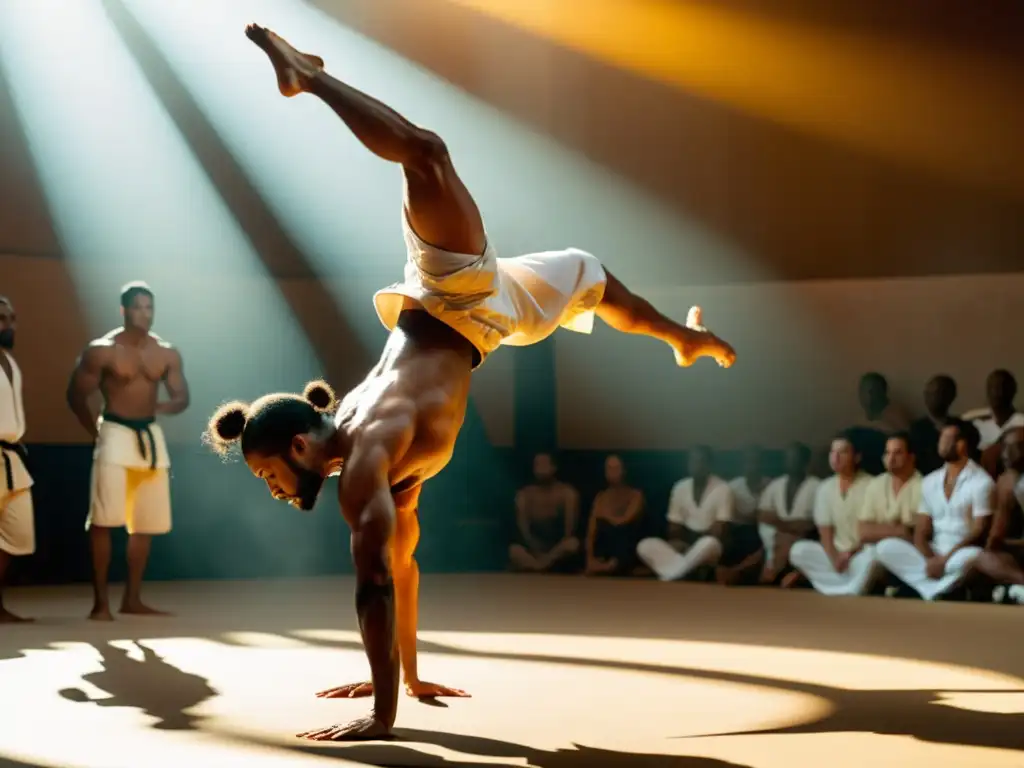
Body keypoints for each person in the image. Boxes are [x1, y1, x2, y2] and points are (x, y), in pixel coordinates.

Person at [203, 24, 737, 742]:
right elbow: (402, 567)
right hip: (488, 322)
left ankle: (309, 77)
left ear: (299, 444)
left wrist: (383, 715)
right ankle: (683, 338)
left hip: (453, 297)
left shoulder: (364, 465)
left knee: (426, 155)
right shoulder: (371, 452)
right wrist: (408, 676)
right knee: (591, 273)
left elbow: (373, 588)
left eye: (268, 472)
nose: (270, 489)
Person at [66, 282, 190, 621]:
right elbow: (75, 395)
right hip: (115, 431)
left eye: (149, 307)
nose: (145, 314)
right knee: (104, 519)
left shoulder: (166, 352)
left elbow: (182, 397)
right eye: (138, 307)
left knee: (146, 522)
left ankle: (132, 598)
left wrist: (158, 408)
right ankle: (100, 602)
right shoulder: (102, 350)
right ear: (124, 310)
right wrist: (95, 432)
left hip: (149, 435)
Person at [875, 419, 993, 601]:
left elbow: (979, 531)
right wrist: (931, 559)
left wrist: (944, 560)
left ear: (961, 445)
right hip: (934, 551)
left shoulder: (981, 482)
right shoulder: (930, 481)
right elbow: (921, 532)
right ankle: (937, 588)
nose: (940, 443)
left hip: (960, 553)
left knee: (975, 558)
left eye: (946, 438)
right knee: (885, 547)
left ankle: (932, 586)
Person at [788, 433, 874, 596]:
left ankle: (837, 587)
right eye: (832, 452)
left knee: (875, 556)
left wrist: (850, 554)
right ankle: (848, 587)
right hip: (835, 555)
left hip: (860, 553)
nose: (836, 457)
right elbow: (825, 533)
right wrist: (835, 558)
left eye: (842, 452)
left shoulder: (871, 485)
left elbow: (871, 532)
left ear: (857, 457)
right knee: (798, 551)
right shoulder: (824, 488)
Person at [636, 445, 733, 581]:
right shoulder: (679, 487)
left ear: (709, 465)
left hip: (709, 549)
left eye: (701, 461)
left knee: (709, 542)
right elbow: (673, 529)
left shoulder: (722, 488)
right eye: (693, 461)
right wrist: (684, 545)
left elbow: (719, 531)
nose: (697, 466)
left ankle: (672, 573)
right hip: (684, 546)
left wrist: (691, 543)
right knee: (645, 545)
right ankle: (686, 570)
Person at [0, 296, 35, 622]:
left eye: (11, 318)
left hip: (11, 457)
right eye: (1, 318)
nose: (9, 325)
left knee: (17, 535)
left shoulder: (11, 363)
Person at [974, 426, 1024, 604]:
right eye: (1004, 447)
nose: (1007, 453)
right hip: (1017, 553)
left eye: (1016, 446)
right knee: (982, 559)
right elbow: (997, 533)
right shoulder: (1005, 480)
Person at [508, 452, 581, 573]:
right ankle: (540, 566)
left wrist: (551, 554)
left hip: (557, 550)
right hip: (534, 549)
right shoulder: (525, 495)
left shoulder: (567, 493)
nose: (540, 468)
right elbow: (524, 532)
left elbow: (569, 531)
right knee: (513, 550)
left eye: (543, 464)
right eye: (537, 464)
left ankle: (540, 566)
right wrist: (534, 549)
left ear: (554, 467)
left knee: (573, 544)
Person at [585, 455, 646, 576]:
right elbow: (591, 532)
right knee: (602, 527)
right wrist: (589, 558)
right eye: (608, 468)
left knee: (621, 531)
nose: (612, 472)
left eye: (615, 468)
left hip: (627, 545)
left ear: (624, 470)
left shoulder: (635, 495)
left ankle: (615, 566)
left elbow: (624, 521)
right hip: (607, 549)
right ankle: (601, 565)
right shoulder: (601, 498)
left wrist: (604, 516)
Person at [908, 375, 957, 475]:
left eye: (940, 393)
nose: (935, 398)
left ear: (951, 396)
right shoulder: (916, 430)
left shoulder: (964, 429)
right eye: (930, 393)